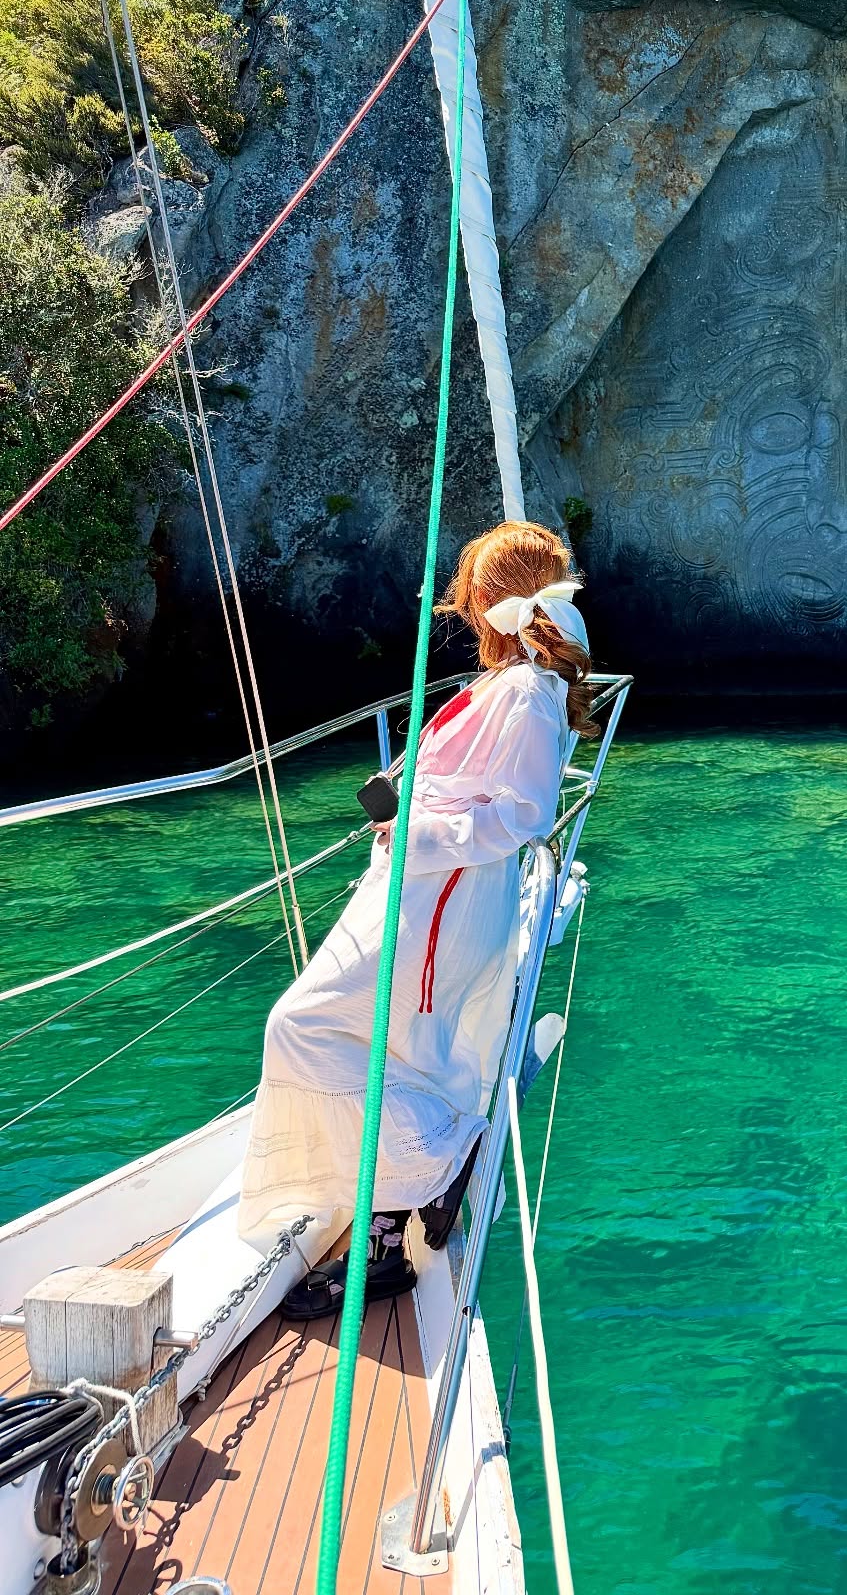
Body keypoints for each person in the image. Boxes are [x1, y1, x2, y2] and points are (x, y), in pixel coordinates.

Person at [237, 521, 596, 1318]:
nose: (466, 618)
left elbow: (526, 814)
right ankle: (383, 1248)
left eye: (471, 603)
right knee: (402, 1050)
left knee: (302, 1027)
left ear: (491, 603)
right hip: (424, 892)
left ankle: (447, 1153)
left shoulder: (529, 694)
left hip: (436, 902)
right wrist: (402, 808)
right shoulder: (510, 687)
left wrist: (412, 831)